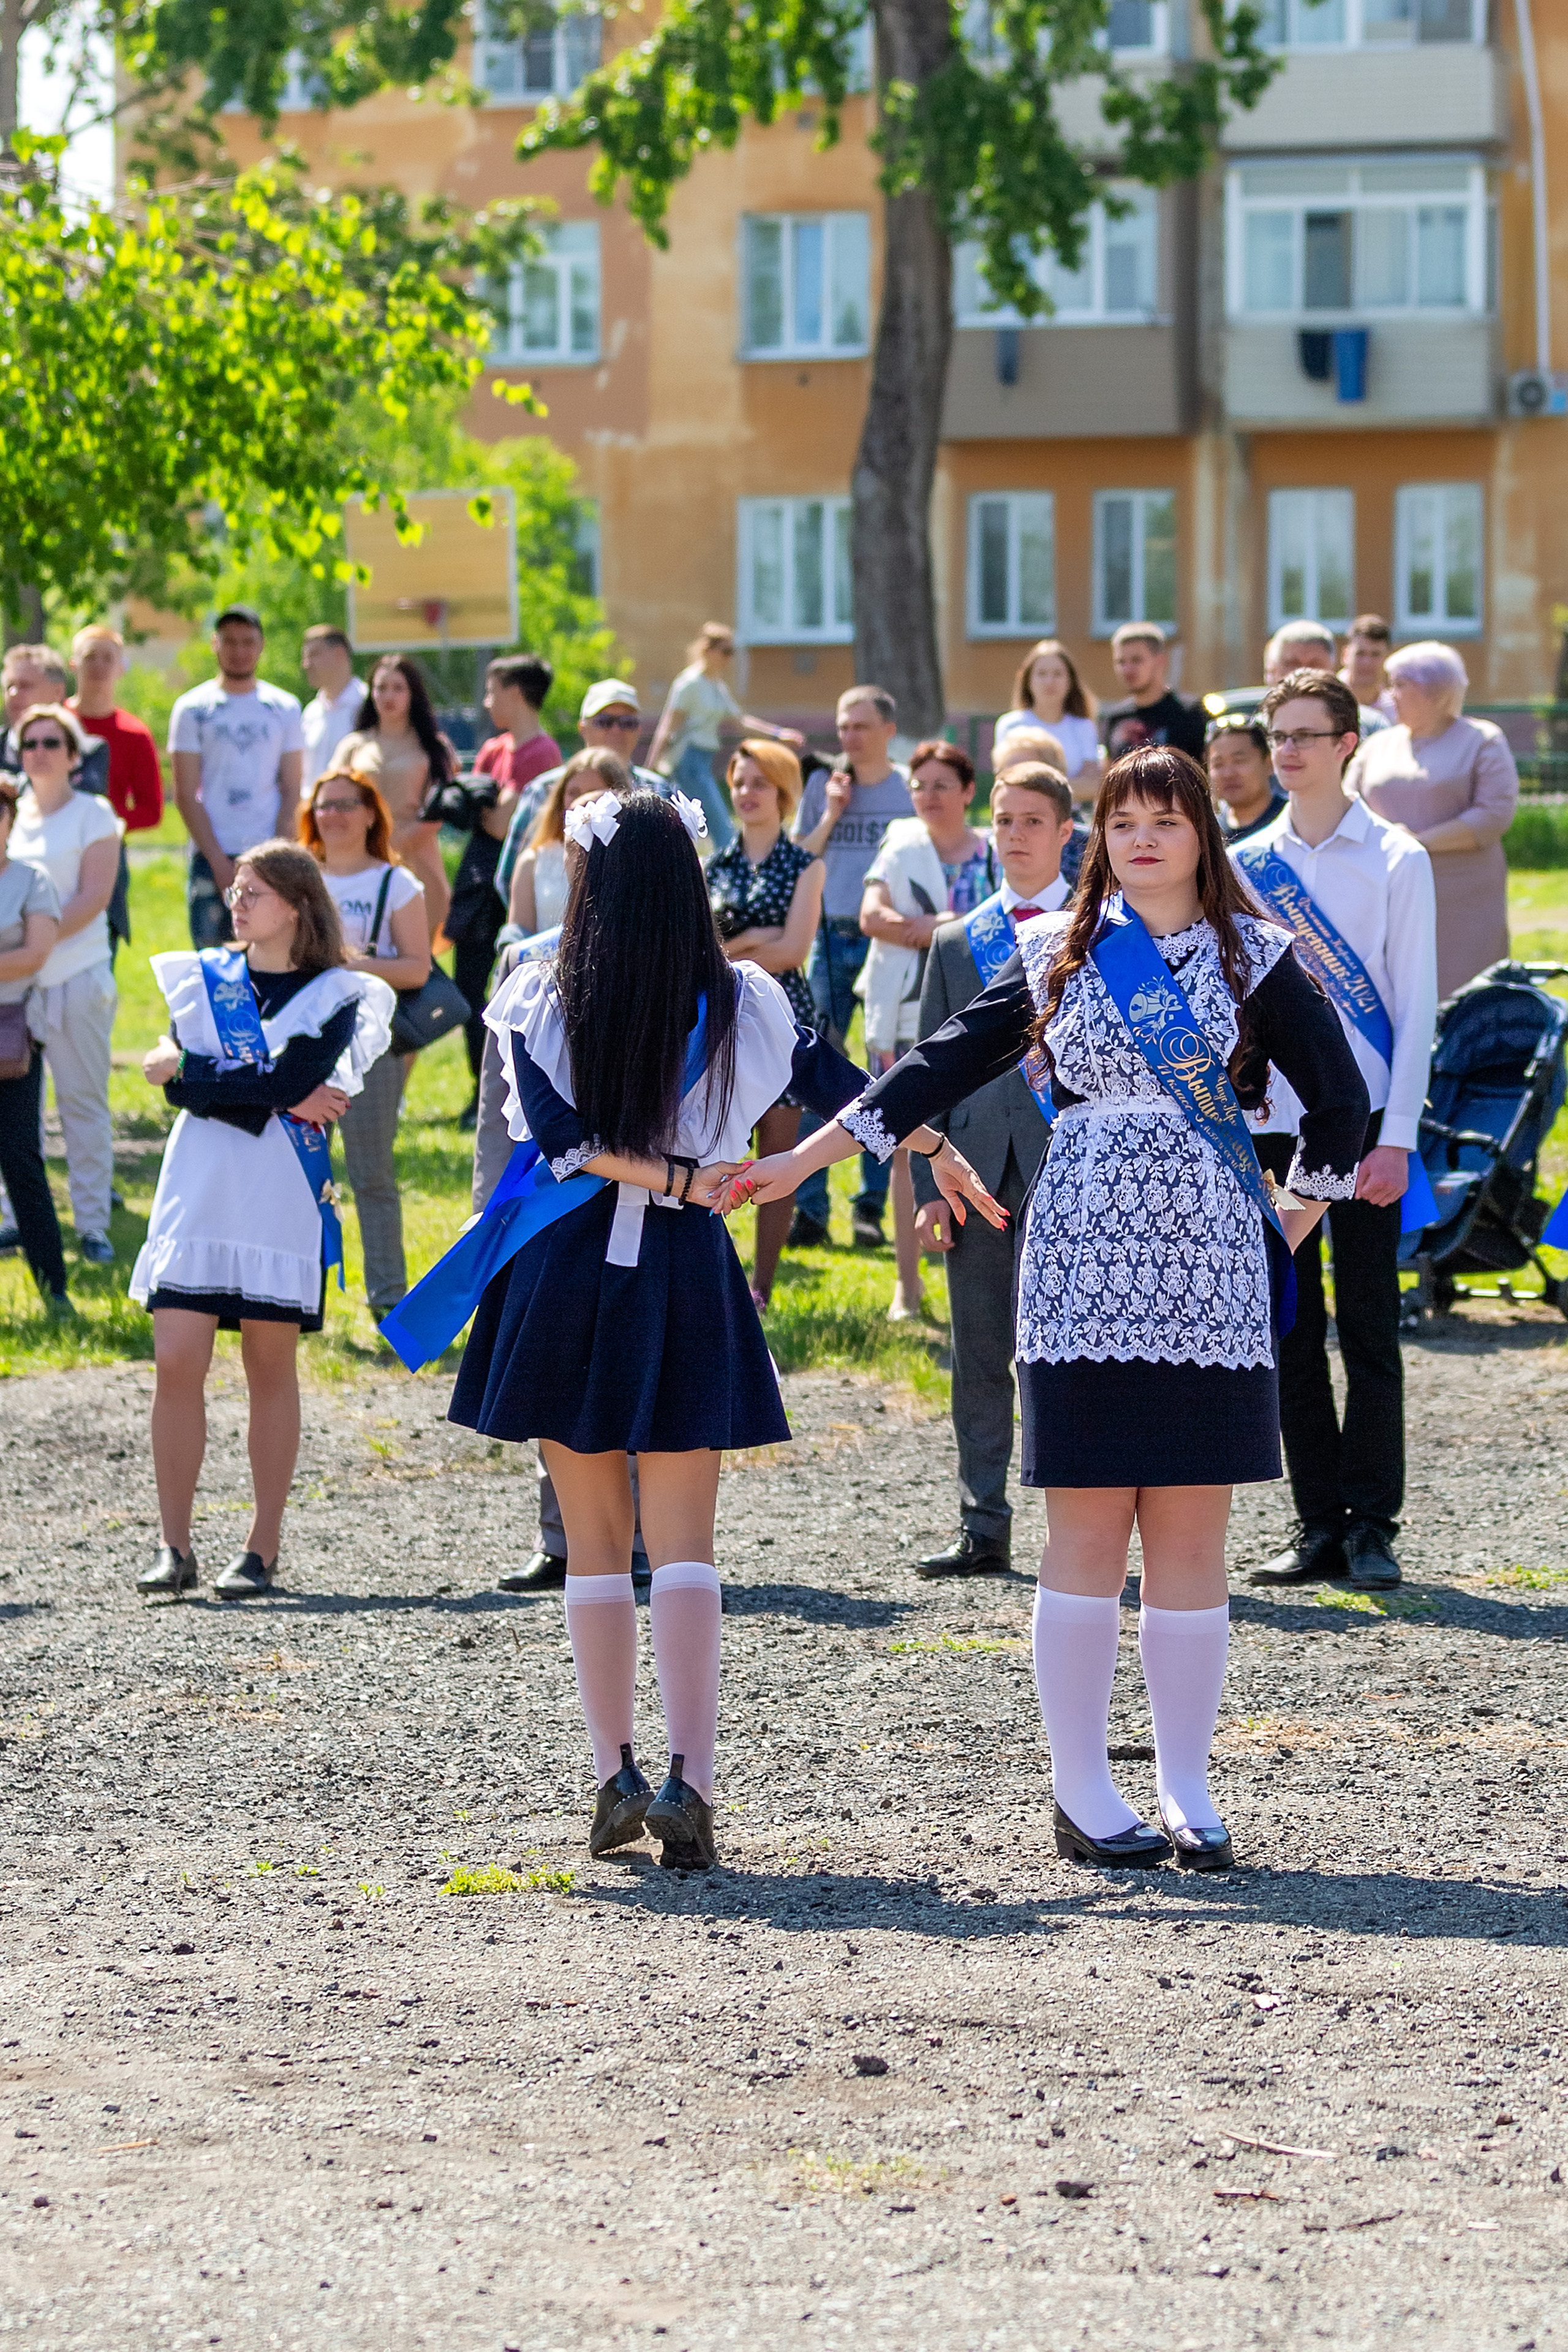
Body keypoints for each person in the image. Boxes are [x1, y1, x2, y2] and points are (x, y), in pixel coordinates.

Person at [738, 747, 1368, 1871]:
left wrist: (1285, 1223)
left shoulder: (1257, 959)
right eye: (1123, 819)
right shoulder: (1052, 957)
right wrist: (809, 1161)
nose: (1142, 837)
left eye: (1166, 820)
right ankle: (1081, 1789)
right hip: (1081, 1266)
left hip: (1206, 1273)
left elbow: (1344, 1107)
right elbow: (927, 1071)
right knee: (1085, 1525)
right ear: (1100, 837)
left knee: (1190, 1529)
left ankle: (1185, 1784)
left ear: (1201, 837)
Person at [419, 789, 985, 1872]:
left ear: (590, 882)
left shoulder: (543, 992)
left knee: (593, 1541)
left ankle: (613, 1774)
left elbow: (566, 1144)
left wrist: (673, 1171)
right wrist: (933, 1148)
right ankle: (693, 1785)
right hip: (684, 1264)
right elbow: (849, 1093)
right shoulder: (747, 999)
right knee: (685, 1545)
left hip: (565, 1271)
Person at [130, 842, 394, 1599]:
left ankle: (261, 1547)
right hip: (199, 1182)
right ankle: (172, 1546)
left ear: (297, 905)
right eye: (236, 889)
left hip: (276, 1190)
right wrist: (236, 1086)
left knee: (267, 1367)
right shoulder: (204, 980)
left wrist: (196, 1074)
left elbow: (283, 1078)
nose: (236, 902)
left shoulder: (340, 993)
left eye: (254, 892)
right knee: (177, 1359)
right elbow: (186, 1087)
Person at [1235, 671, 1436, 1596]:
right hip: (1272, 1128)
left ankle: (1372, 1524)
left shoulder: (1397, 858)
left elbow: (1417, 1007)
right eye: (1279, 734)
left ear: (1349, 741)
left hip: (1365, 1134)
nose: (1289, 751)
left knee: (1367, 1328)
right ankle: (1315, 1520)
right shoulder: (1244, 863)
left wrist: (1397, 1136)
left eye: (1307, 734)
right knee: (1288, 1326)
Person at [910, 763, 1076, 1579]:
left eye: (1033, 820)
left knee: (1075, 1354)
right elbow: (925, 1070)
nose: (1015, 835)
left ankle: (1079, 1524)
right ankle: (983, 1521)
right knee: (979, 1350)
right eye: (1004, 820)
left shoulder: (1104, 935)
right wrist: (924, 1188)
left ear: (1066, 833)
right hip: (968, 1170)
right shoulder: (955, 940)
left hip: (1072, 1168)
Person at [858, 740, 998, 1320]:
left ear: (969, 792)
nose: (929, 796)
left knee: (987, 1139)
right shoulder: (899, 844)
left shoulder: (993, 852)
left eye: (943, 785)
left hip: (985, 1015)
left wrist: (926, 926)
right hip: (906, 1011)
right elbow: (872, 918)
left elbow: (997, 922)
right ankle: (907, 1286)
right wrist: (941, 930)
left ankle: (992, 1286)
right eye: (919, 785)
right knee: (902, 1139)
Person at [298, 768, 432, 1322]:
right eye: (324, 805)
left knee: (371, 1174)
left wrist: (349, 965)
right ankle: (300, 1297)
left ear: (372, 813)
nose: (333, 815)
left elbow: (417, 969)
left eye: (346, 805)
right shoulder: (299, 877)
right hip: (302, 1045)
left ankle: (388, 1300)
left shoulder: (395, 884)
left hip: (369, 1046)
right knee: (300, 1174)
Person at [787, 685, 914, 1249]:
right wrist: (834, 812)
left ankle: (870, 1207)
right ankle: (810, 1209)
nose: (849, 737)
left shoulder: (909, 786)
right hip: (830, 934)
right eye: (842, 726)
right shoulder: (822, 784)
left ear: (888, 730)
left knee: (884, 1072)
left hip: (886, 941)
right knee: (820, 1071)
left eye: (861, 726)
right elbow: (798, 856)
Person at [706, 740, 826, 1309]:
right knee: (716, 1146)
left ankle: (762, 1284)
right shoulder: (713, 866)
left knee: (779, 1151)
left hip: (783, 1017)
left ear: (784, 794)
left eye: (761, 783)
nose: (747, 793)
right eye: (740, 782)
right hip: (718, 1020)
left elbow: (795, 948)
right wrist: (759, 943)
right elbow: (702, 950)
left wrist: (739, 945)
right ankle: (716, 1274)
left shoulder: (806, 865)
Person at [10, 704, 124, 1267]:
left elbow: (94, 897)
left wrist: (36, 943)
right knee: (15, 1116)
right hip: (15, 990)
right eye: (29, 743)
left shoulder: (93, 813)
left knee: (82, 1105)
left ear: (74, 755)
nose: (39, 752)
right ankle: (15, 1221)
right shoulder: (12, 813)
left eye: (52, 742)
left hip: (76, 977)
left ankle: (94, 1226)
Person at [1346, 641, 1520, 998]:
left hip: (1462, 896)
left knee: (1462, 991)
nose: (1389, 694)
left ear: (1435, 692)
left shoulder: (1482, 740)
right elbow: (1348, 804)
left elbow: (1494, 814)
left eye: (1399, 685)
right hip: (1384, 886)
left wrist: (1419, 842)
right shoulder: (1377, 745)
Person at [447, 655, 563, 1121]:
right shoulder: (496, 749)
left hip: (513, 876)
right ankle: (479, 1090)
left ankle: (509, 1092)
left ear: (515, 693)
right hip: (477, 877)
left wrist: (475, 803)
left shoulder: (543, 754)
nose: (486, 700)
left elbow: (498, 824)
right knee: (469, 984)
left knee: (507, 986)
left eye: (493, 691)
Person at [168, 606, 304, 949]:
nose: (239, 651)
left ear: (261, 646)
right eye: (229, 641)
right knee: (214, 960)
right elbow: (186, 793)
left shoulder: (284, 707)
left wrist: (276, 858)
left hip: (267, 849)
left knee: (271, 956)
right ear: (214, 644)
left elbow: (291, 788)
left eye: (248, 642)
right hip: (212, 852)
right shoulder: (193, 709)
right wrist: (218, 862)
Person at [494, 678, 668, 913]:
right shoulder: (544, 790)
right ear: (583, 728)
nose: (616, 730)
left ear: (639, 730)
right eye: (605, 721)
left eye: (627, 722)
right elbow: (509, 878)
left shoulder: (659, 792)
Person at [0, 775, 72, 1314]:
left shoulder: (31, 879)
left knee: (20, 1158)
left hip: (12, 1037)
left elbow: (34, 954)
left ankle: (55, 1290)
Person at [646, 622, 805, 853]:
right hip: (689, 761)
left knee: (688, 827)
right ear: (708, 650)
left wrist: (779, 734)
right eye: (726, 651)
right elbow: (666, 727)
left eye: (732, 652)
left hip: (703, 761)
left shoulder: (716, 687)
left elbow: (740, 721)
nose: (729, 659)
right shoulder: (688, 684)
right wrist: (650, 768)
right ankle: (733, 874)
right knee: (721, 825)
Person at [336, 655, 456, 940]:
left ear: (413, 694)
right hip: (361, 856)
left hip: (419, 856)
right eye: (381, 688)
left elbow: (439, 811)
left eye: (398, 688)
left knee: (416, 947)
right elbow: (332, 800)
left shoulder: (434, 747)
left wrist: (394, 846)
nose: (388, 696)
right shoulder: (353, 746)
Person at [508, 748, 632, 938]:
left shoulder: (635, 858)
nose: (582, 803)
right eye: (573, 793)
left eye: (593, 793)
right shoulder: (532, 862)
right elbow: (518, 933)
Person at [67, 627, 164, 831]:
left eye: (108, 658)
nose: (99, 665)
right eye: (90, 657)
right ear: (73, 665)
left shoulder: (135, 735)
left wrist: (103, 823)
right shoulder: (52, 724)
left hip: (109, 845)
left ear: (121, 668)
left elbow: (151, 811)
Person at [991, 640, 1102, 796]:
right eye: (1042, 674)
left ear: (1070, 681)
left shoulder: (1084, 727)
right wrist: (1064, 787)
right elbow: (1005, 781)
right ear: (1028, 680)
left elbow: (1092, 785)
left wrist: (1035, 786)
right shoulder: (1011, 725)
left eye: (1057, 674)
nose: (1050, 681)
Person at [2, 645, 109, 795]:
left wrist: (16, 787)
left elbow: (83, 800)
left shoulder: (87, 751)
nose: (13, 693)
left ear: (57, 692)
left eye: (25, 686)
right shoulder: (2, 744)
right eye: (9, 686)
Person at [1099, 623, 1207, 764]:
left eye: (1136, 660)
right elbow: (1108, 776)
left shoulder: (1190, 713)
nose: (1127, 669)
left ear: (1160, 661)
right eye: (1121, 662)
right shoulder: (1114, 718)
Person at [1264, 622, 1390, 736]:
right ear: (1274, 670)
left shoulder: (1369, 728)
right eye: (1293, 664)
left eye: (1315, 664)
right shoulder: (1257, 733)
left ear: (1331, 669)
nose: (1303, 672)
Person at [299, 627, 364, 788]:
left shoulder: (367, 705)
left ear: (339, 654)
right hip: (314, 810)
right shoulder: (311, 712)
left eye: (314, 655)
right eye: (305, 657)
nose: (306, 665)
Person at [1206, 713, 1286, 843]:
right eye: (1218, 765)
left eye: (1239, 761)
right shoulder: (1209, 832)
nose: (1228, 774)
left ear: (1269, 764)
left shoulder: (1291, 823)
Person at [1339, 614, 1397, 723]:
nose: (1367, 662)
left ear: (1387, 658)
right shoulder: (1326, 702)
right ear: (1345, 655)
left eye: (1376, 655)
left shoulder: (1395, 710)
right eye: (1360, 654)